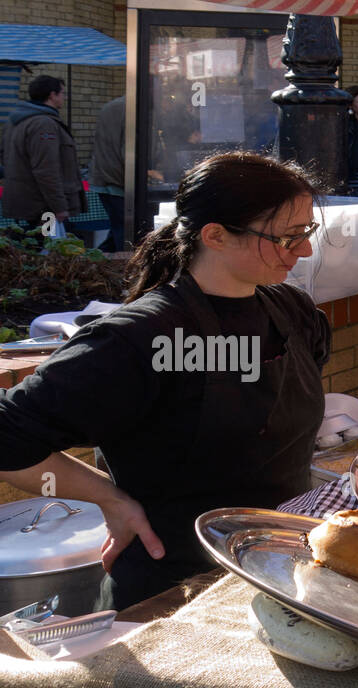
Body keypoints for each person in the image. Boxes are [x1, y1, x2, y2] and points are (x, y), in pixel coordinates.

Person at [0, 151, 328, 611]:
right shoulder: (136, 338)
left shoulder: (293, 312)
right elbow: (8, 435)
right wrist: (110, 500)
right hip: (175, 590)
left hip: (283, 571)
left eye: (306, 233)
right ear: (214, 235)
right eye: (287, 238)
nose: (305, 251)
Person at [0, 75, 85, 230]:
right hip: (43, 206)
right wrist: (59, 206)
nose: (64, 98)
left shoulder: (15, 121)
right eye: (63, 93)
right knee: (55, 248)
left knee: (35, 248)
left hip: (26, 202)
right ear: (52, 95)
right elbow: (46, 169)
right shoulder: (43, 124)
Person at [90, 95, 126, 251]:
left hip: (108, 177)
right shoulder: (129, 109)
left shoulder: (113, 107)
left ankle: (95, 263)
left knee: (118, 229)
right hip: (116, 179)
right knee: (124, 231)